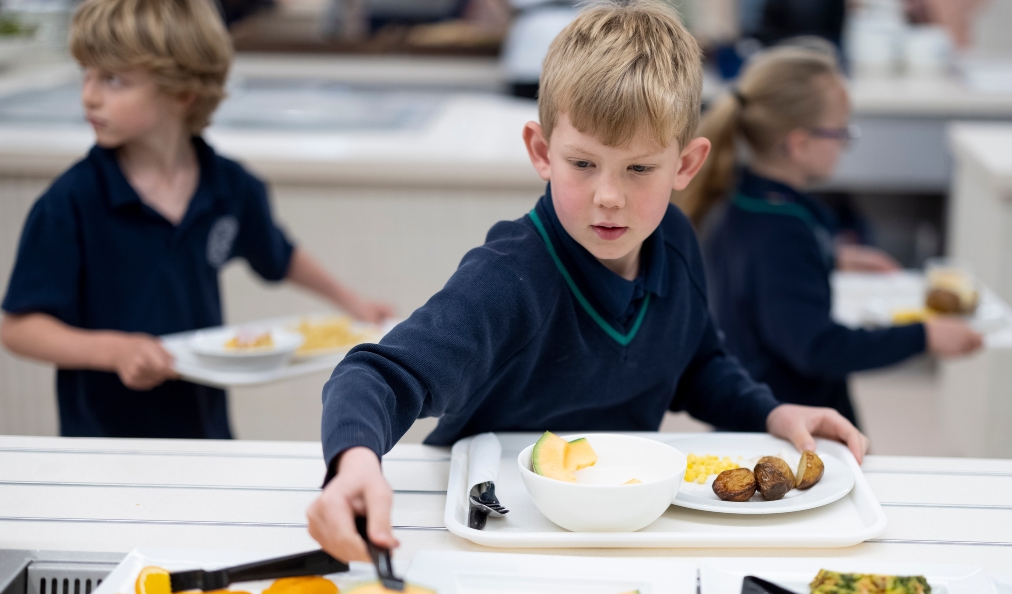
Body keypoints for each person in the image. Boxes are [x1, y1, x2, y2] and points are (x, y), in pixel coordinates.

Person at [306, 0, 869, 562]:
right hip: (491, 536)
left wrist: (772, 413)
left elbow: (698, 366)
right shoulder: (510, 275)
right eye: (583, 164)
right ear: (542, 152)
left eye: (639, 169)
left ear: (686, 166)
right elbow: (375, 375)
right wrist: (355, 464)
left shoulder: (674, 238)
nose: (609, 196)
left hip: (621, 529)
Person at [0, 0, 393, 440]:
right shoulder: (69, 202)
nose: (88, 95)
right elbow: (19, 329)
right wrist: (113, 351)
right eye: (85, 74)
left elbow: (280, 256)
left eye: (112, 79)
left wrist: (352, 302)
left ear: (183, 92)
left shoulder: (230, 186)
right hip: (102, 442)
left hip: (205, 432)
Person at [675, 45, 982, 427]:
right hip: (790, 427)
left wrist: (832, 257)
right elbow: (818, 347)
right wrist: (925, 337)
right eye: (840, 131)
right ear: (799, 144)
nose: (844, 143)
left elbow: (764, 283)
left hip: (759, 409)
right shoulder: (780, 233)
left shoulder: (745, 201)